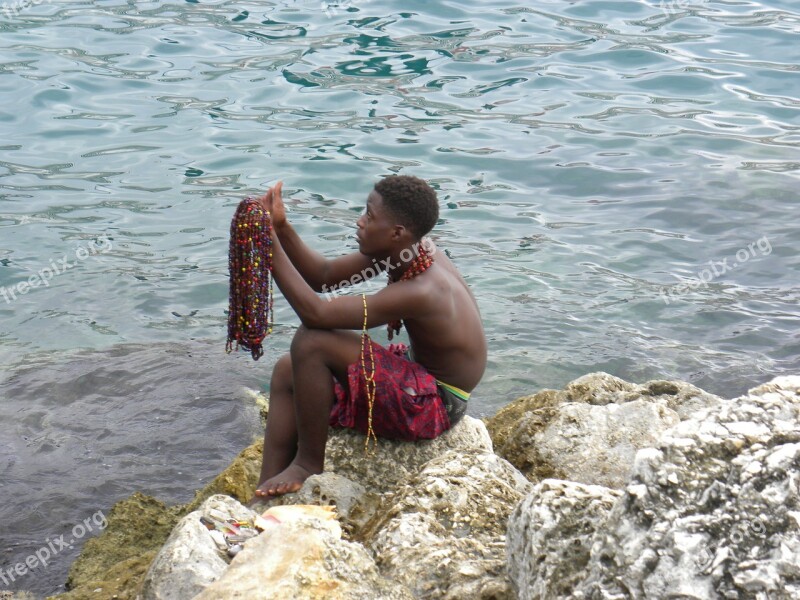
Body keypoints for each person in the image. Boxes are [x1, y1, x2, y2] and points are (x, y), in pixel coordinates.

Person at [253, 175, 487, 498]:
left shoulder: (424, 290)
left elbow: (316, 315)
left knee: (312, 342)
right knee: (287, 369)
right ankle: (263, 493)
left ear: (396, 232)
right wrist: (281, 228)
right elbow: (323, 278)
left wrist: (268, 245)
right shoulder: (405, 251)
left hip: (438, 401)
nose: (360, 222)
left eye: (369, 216)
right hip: (420, 369)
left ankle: (307, 464)